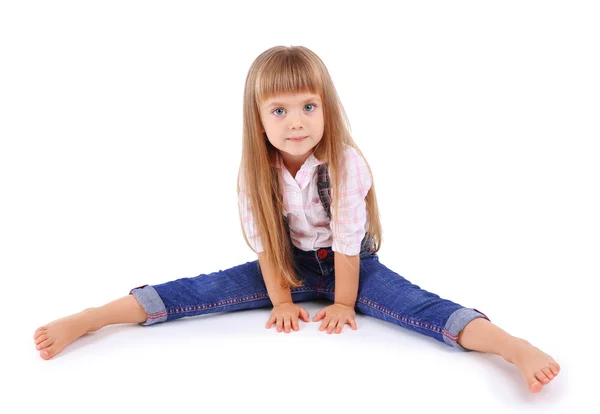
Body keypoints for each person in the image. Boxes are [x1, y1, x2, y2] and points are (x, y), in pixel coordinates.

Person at [33, 45, 559, 394]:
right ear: (258, 120)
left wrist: (342, 303)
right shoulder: (255, 172)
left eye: (308, 106)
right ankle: (92, 317)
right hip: (285, 265)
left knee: (419, 308)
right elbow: (266, 247)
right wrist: (282, 299)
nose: (297, 122)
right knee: (200, 289)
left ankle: (512, 347)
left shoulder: (345, 164)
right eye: (279, 111)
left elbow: (349, 243)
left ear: (326, 107)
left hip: (351, 267)